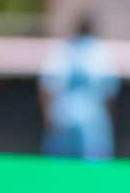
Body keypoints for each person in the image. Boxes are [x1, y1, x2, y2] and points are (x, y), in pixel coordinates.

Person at [38, 17, 119, 160]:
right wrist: (110, 120)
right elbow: (110, 93)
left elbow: (46, 87)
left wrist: (48, 118)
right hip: (92, 119)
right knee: (93, 169)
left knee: (61, 169)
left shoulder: (63, 48)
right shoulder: (100, 50)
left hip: (64, 115)